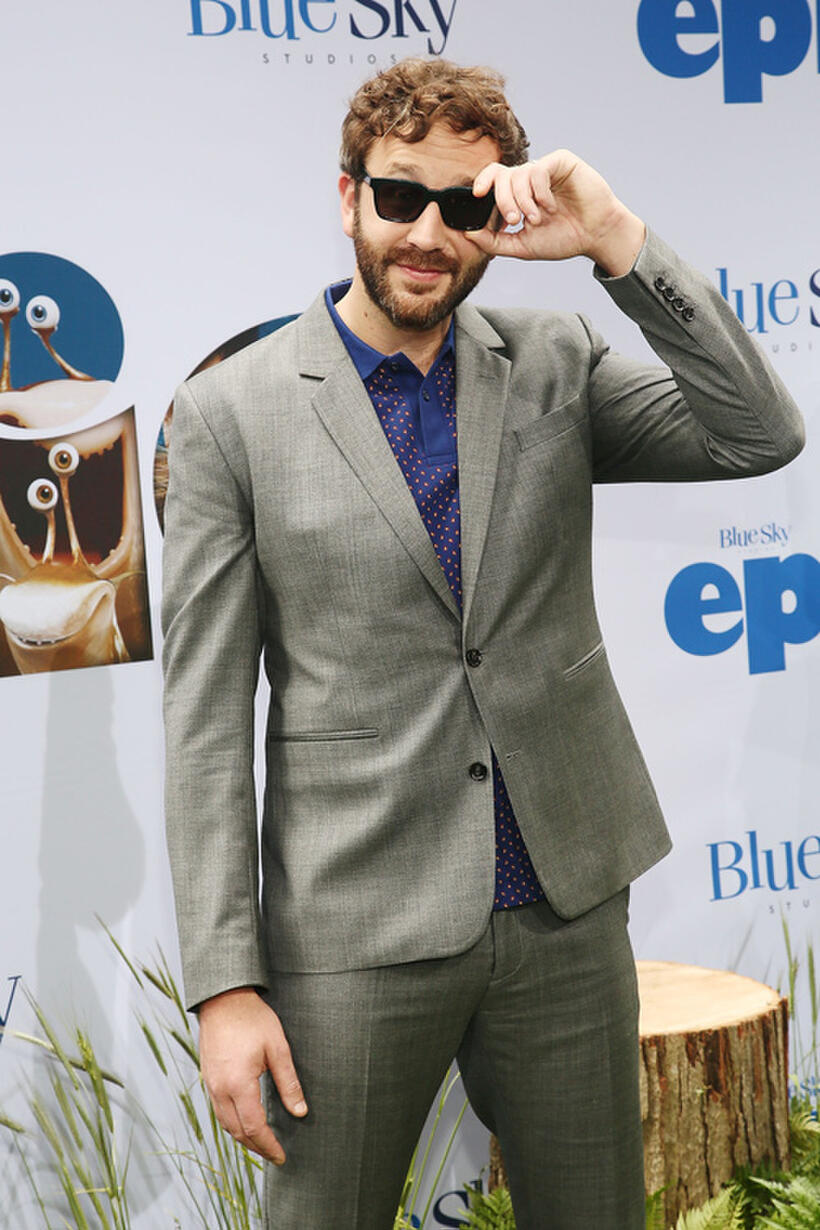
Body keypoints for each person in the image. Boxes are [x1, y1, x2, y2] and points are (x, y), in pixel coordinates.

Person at [162, 58, 804, 1230]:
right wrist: (224, 985)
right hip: (354, 927)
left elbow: (757, 435)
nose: (426, 233)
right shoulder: (228, 415)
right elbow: (204, 725)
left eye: (462, 206)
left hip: (560, 910)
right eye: (400, 196)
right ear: (345, 194)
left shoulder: (555, 363)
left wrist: (613, 239)